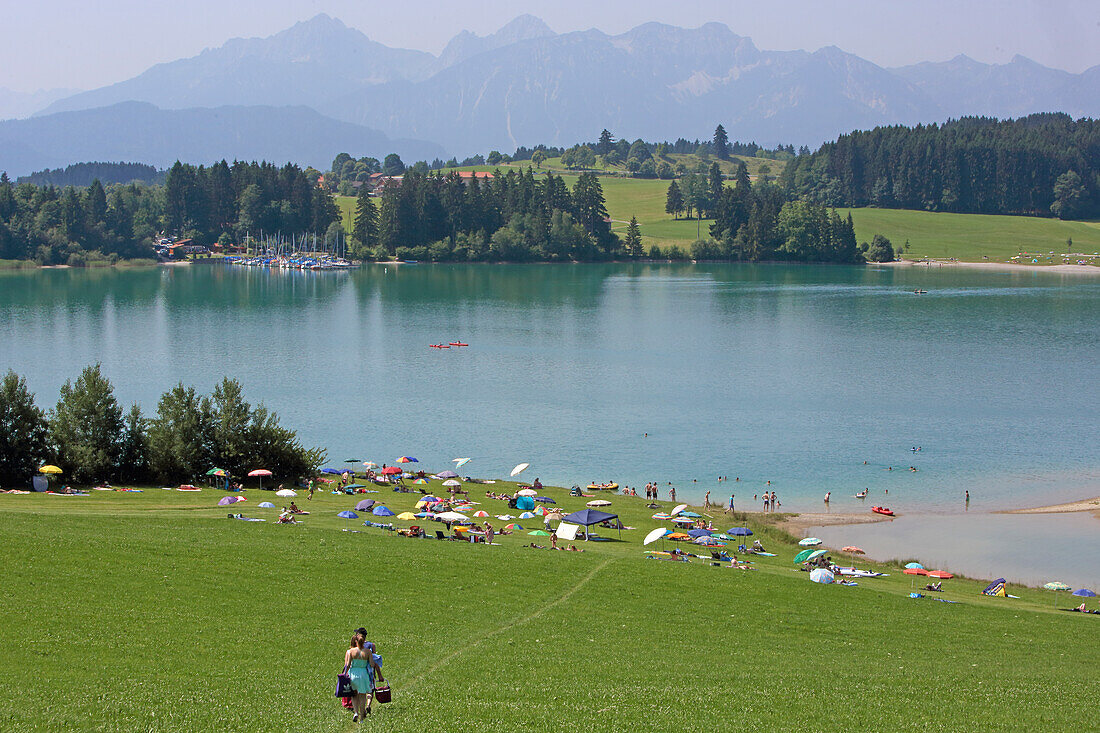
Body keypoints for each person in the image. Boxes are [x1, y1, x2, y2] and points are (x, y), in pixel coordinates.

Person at [344, 630, 384, 721]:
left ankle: (355, 713)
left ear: (356, 641)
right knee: (362, 695)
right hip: (363, 674)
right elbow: (372, 664)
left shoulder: (351, 651)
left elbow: (348, 665)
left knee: (354, 695)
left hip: (353, 673)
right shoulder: (367, 652)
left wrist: (344, 674)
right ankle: (362, 718)